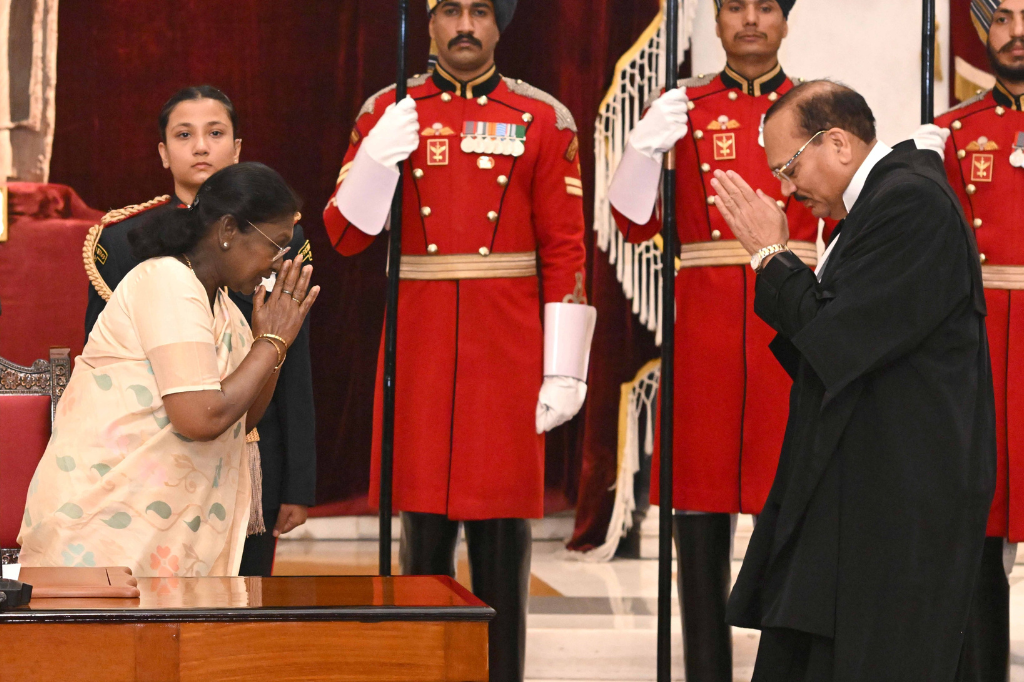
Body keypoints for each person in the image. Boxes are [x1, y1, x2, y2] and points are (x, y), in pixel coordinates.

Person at [323, 1, 595, 680]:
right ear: (430, 23)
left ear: (501, 25)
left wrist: (565, 368)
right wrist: (376, 163)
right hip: (420, 339)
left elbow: (565, 249)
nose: (465, 24)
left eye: (480, 10)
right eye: (450, 10)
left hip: (506, 348)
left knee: (503, 541)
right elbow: (346, 237)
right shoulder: (386, 108)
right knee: (422, 543)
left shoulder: (543, 117)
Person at [711, 79, 995, 680]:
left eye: (789, 166)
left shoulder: (910, 202)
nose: (787, 189)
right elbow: (830, 347)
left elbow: (837, 341)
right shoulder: (878, 203)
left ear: (837, 143)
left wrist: (771, 256)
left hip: (897, 498)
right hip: (864, 485)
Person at [605, 1, 817, 678]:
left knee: (796, 520)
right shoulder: (685, 106)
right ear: (715, 22)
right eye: (734, 6)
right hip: (706, 339)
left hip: (796, 333)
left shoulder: (819, 107)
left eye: (765, 7)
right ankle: (705, 669)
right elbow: (634, 224)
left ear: (786, 21)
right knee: (698, 519)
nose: (750, 20)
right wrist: (641, 154)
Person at [20, 163, 319, 578]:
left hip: (157, 532)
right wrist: (270, 344)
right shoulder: (166, 282)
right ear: (229, 231)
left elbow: (243, 418)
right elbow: (199, 417)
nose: (279, 263)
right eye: (277, 245)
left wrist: (270, 344)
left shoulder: (226, 309)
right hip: (105, 532)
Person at [81, 85, 316, 577]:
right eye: (185, 135)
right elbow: (119, 380)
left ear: (237, 146)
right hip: (147, 463)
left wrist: (298, 481)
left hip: (242, 452)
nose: (202, 147)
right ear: (164, 152)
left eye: (216, 133)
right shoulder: (140, 254)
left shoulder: (265, 249)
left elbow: (286, 373)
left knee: (235, 608)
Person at [925, 2, 1024, 678]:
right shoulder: (955, 134)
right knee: (977, 531)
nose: (1017, 32)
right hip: (982, 355)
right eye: (1004, 18)